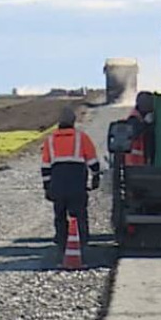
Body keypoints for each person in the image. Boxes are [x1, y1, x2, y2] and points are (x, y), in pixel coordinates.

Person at [40, 106, 100, 259]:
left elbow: (45, 166)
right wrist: (95, 177)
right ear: (73, 122)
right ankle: (82, 242)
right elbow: (92, 160)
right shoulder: (81, 138)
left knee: (60, 214)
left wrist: (47, 187)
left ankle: (61, 242)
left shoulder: (50, 140)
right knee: (79, 213)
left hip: (58, 182)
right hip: (77, 182)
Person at [124, 92, 155, 167]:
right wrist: (145, 123)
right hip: (135, 163)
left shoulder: (142, 117)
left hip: (142, 163)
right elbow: (133, 133)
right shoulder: (133, 119)